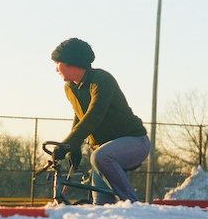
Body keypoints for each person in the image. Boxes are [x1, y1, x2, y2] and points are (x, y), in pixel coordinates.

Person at [50, 38, 150, 204]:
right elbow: (80, 116)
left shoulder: (101, 80)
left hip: (135, 142)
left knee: (100, 157)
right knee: (102, 206)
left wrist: (66, 144)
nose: (56, 69)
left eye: (58, 62)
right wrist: (73, 148)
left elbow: (94, 115)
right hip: (103, 151)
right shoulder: (71, 88)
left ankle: (133, 204)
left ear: (71, 62)